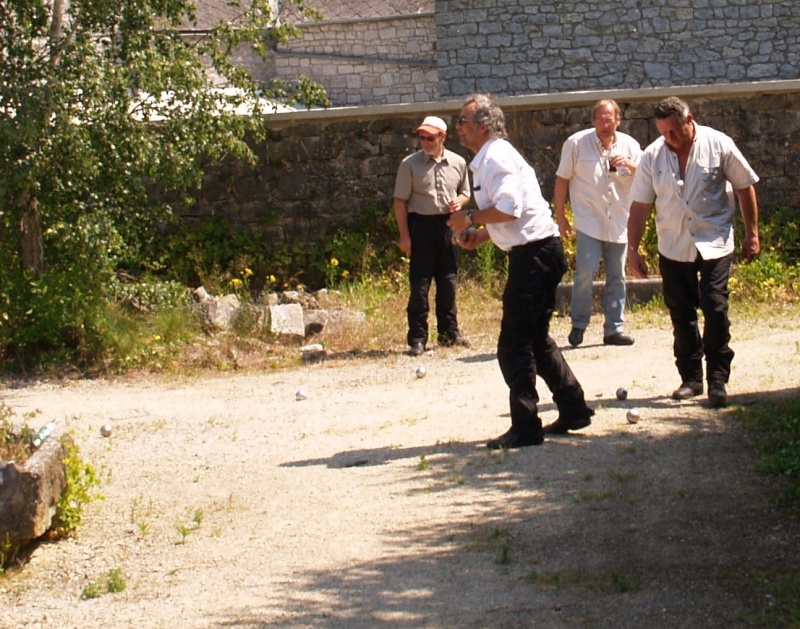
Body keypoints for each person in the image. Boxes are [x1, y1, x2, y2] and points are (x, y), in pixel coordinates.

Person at [448, 94, 594, 449]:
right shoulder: (489, 157)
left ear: (483, 126)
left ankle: (526, 425)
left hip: (536, 255)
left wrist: (467, 218)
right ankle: (573, 407)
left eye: (463, 121)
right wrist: (481, 236)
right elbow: (514, 214)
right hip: (536, 251)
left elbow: (510, 208)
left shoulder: (495, 156)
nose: (459, 128)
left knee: (514, 341)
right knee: (536, 339)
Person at [627, 96, 760, 408]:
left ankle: (717, 379)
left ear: (690, 120)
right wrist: (633, 250)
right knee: (681, 314)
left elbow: (744, 186)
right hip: (673, 244)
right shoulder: (652, 156)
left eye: (675, 131)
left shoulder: (718, 143)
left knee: (715, 307)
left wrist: (752, 232)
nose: (670, 138)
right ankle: (690, 378)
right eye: (664, 133)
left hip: (714, 239)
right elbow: (641, 204)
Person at [554, 99, 643, 347]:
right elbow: (562, 180)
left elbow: (647, 176)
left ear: (618, 120)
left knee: (618, 275)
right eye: (601, 119)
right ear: (593, 121)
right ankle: (578, 324)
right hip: (588, 219)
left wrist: (630, 165)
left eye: (610, 119)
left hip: (619, 220)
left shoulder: (630, 145)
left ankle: (614, 328)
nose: (606, 124)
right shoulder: (576, 143)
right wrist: (561, 217)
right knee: (586, 271)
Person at [394, 115, 472, 356]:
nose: (425, 142)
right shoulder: (409, 164)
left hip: (448, 225)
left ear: (443, 138)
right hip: (421, 226)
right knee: (420, 284)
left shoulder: (458, 162)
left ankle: (449, 332)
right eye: (422, 137)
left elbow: (466, 192)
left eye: (431, 137)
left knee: (448, 281)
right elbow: (400, 202)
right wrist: (404, 235)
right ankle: (417, 337)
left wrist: (459, 201)